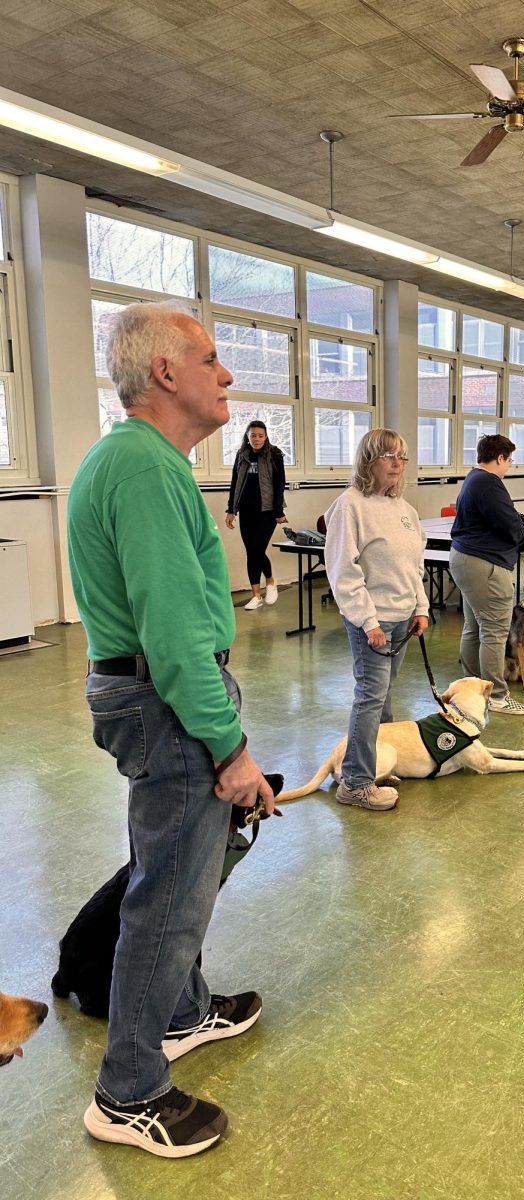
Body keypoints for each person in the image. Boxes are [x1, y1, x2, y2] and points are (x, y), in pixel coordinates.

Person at [68, 302, 275, 1158]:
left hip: (158, 696)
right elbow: (176, 635)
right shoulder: (146, 470)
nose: (228, 375)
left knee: (186, 870)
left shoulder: (137, 461)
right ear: (165, 373)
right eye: (214, 359)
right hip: (164, 701)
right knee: (168, 898)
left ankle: (183, 1013)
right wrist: (229, 750)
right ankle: (127, 1091)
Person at [324, 428, 429, 812]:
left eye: (402, 456)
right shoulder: (350, 506)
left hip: (402, 619)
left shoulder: (404, 510)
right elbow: (342, 571)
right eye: (389, 456)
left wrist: (421, 608)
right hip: (373, 621)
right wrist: (368, 621)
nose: (398, 464)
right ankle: (355, 781)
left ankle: (378, 761)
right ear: (369, 460)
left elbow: (412, 567)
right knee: (370, 697)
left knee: (384, 694)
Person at [449, 434, 524, 716]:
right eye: (509, 460)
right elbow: (508, 522)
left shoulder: (473, 479)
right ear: (500, 457)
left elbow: (506, 518)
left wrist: (521, 532)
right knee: (494, 631)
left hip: (466, 559)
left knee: (474, 628)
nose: (509, 465)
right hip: (485, 564)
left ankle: (472, 688)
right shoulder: (489, 483)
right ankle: (497, 697)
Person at [225, 420, 287, 610]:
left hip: (268, 511)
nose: (257, 439)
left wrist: (278, 511)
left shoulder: (274, 454)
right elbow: (235, 482)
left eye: (260, 436)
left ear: (266, 436)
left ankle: (270, 582)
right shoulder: (242, 455)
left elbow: (279, 484)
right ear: (247, 436)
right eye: (253, 435)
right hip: (247, 510)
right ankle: (256, 595)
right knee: (251, 552)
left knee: (257, 550)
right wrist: (231, 510)